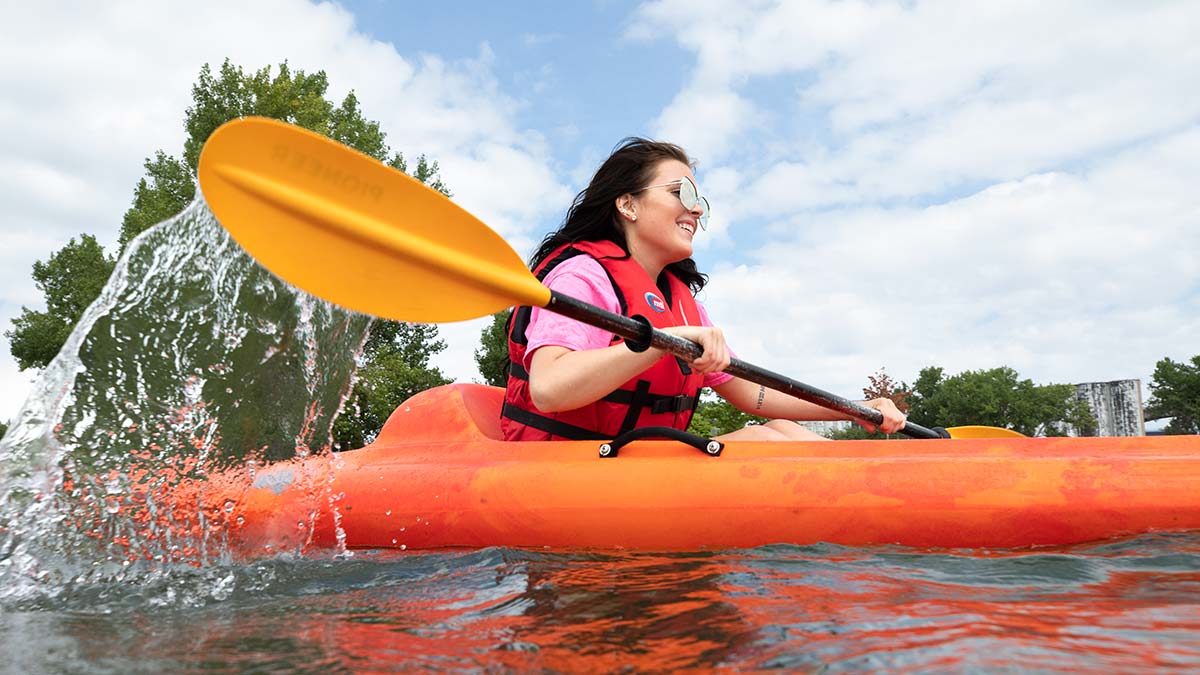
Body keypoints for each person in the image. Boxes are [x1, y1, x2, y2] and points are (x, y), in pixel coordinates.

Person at [500, 138, 906, 442]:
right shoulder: (582, 277)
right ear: (628, 205)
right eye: (683, 194)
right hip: (568, 466)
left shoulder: (681, 305)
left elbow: (755, 394)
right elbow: (549, 389)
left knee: (782, 429)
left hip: (637, 464)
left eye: (700, 202)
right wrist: (662, 341)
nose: (696, 210)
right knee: (762, 440)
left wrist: (854, 408)